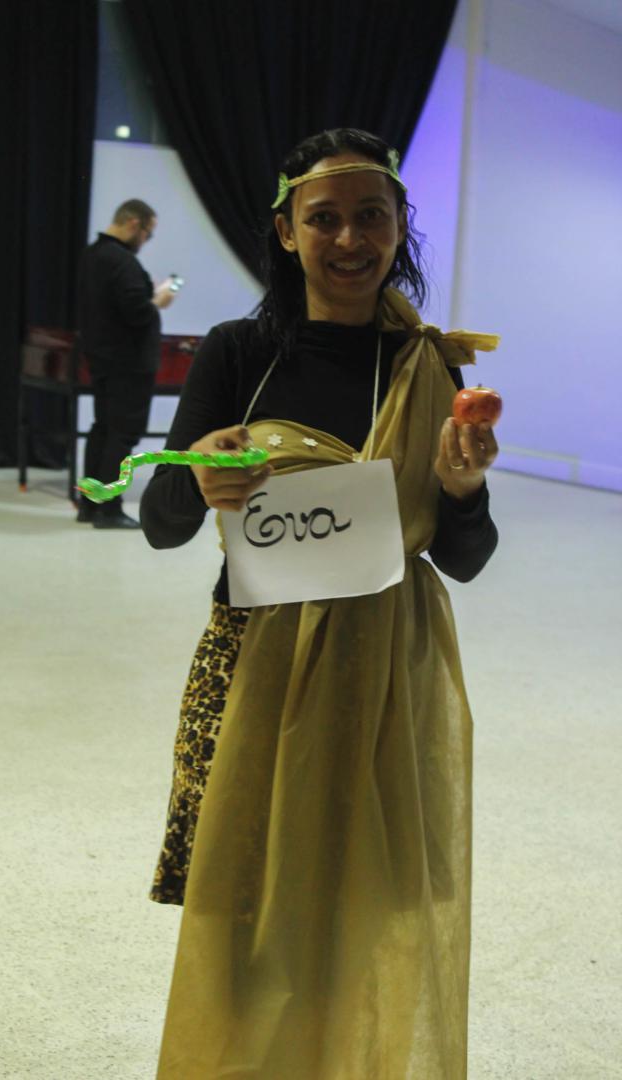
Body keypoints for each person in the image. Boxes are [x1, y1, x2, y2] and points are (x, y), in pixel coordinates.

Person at [141, 128, 500, 1078]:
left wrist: (463, 492)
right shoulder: (240, 352)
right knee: (242, 913)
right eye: (324, 218)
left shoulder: (429, 363)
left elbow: (466, 560)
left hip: (387, 678)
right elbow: (160, 523)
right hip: (254, 670)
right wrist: (200, 477)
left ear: (399, 225)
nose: (349, 239)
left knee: (363, 909)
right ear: (286, 230)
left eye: (370, 216)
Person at [77, 199, 176, 528]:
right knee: (122, 435)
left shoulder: (93, 255)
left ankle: (89, 505)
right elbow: (137, 312)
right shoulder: (122, 261)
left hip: (102, 357)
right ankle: (109, 509)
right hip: (129, 363)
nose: (146, 240)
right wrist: (158, 300)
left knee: (103, 429)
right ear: (134, 223)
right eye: (148, 233)